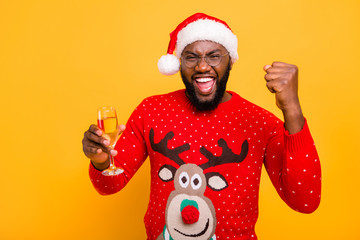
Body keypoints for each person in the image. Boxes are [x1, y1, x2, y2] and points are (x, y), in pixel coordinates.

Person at [82, 13, 321, 240]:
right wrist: (101, 161)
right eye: (191, 57)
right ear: (179, 62)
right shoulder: (151, 110)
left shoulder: (260, 122)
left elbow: (305, 201)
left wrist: (292, 108)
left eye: (214, 56)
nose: (202, 67)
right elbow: (109, 185)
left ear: (230, 62)